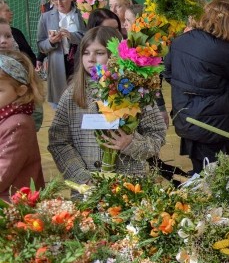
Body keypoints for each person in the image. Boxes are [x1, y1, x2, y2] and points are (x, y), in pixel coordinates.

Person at [49, 26, 167, 183]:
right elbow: (59, 142)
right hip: (88, 188)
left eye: (99, 53)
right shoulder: (71, 95)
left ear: (115, 56)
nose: (91, 59)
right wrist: (81, 177)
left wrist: (132, 144)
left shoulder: (136, 93)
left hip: (131, 186)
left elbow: (157, 135)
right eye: (86, 53)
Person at [164, 0, 229, 173]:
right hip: (211, 124)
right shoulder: (220, 48)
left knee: (200, 170)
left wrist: (194, 89)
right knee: (214, 177)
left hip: (188, 117)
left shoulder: (181, 41)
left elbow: (169, 73)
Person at [0, 50, 44, 200]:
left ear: (21, 90)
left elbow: (2, 175)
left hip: (14, 208)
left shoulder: (18, 124)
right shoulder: (4, 116)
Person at [36, 0, 86, 105]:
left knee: (81, 98)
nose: (59, 3)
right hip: (58, 64)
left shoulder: (82, 14)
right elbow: (41, 45)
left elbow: (89, 36)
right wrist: (51, 42)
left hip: (79, 62)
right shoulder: (45, 17)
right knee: (61, 102)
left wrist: (71, 36)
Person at [0, 0, 38, 66]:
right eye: (7, 10)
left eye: (8, 36)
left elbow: (31, 56)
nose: (11, 13)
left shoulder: (16, 32)